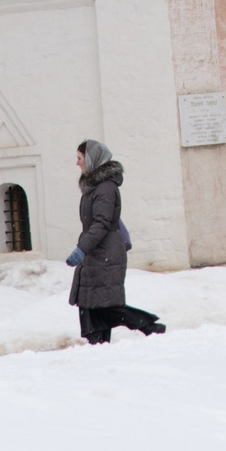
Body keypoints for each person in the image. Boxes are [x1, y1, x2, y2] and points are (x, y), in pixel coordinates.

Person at [68, 140, 164, 344]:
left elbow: (101, 223)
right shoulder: (94, 188)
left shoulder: (105, 188)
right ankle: (99, 343)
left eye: (80, 158)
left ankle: (148, 326)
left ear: (91, 159)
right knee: (90, 302)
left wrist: (82, 249)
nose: (77, 163)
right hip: (97, 250)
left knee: (105, 304)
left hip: (104, 253)